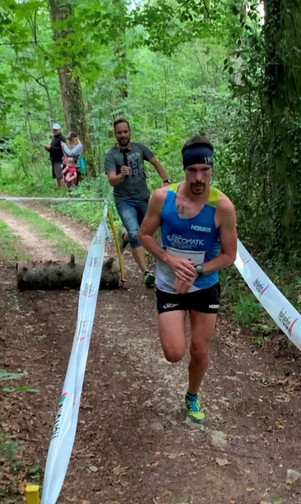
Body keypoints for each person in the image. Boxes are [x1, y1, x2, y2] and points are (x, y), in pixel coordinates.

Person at [138, 135, 238, 424]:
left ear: (212, 170)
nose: (198, 177)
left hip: (204, 285)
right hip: (170, 285)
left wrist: (197, 271)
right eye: (192, 170)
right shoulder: (163, 199)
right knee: (173, 353)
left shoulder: (222, 207)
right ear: (184, 170)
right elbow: (143, 236)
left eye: (204, 170)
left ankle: (192, 395)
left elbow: (229, 255)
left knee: (199, 349)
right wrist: (169, 260)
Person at [104, 118, 170, 287]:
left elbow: (155, 162)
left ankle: (124, 236)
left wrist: (165, 180)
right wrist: (121, 175)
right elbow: (112, 180)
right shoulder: (111, 155)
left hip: (143, 197)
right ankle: (147, 273)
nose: (123, 135)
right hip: (124, 201)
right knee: (136, 233)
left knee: (147, 231)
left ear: (130, 132)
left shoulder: (140, 148)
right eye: (120, 132)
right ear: (115, 134)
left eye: (125, 131)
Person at [44, 123, 66, 188]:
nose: (55, 131)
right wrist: (48, 149)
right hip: (54, 160)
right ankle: (60, 188)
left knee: (60, 175)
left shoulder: (61, 138)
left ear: (59, 130)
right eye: (54, 130)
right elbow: (53, 149)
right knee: (57, 175)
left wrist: (50, 148)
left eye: (56, 130)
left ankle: (62, 189)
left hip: (59, 160)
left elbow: (60, 150)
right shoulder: (54, 138)